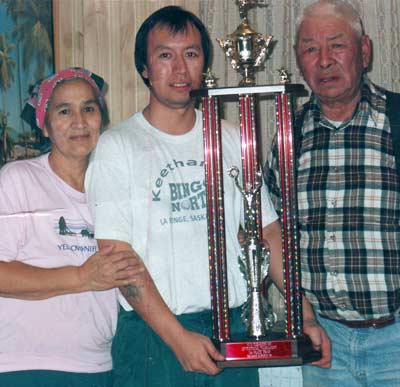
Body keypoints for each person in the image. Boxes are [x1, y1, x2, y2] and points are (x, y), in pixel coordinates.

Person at [85, 5, 306, 387]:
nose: (180, 68)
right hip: (155, 337)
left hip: (236, 328)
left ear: (204, 62)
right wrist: (177, 338)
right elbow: (118, 258)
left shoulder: (232, 138)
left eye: (190, 54)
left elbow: (268, 233)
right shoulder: (117, 146)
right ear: (145, 68)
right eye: (165, 55)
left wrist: (305, 317)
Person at [265, 1, 400, 386]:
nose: (324, 61)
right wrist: (304, 315)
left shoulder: (396, 122)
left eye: (336, 45)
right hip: (323, 343)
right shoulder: (288, 138)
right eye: (310, 48)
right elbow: (271, 234)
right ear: (298, 60)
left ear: (365, 50)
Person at [0, 67, 142, 387]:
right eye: (64, 111)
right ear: (45, 125)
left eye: (88, 108)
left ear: (101, 120)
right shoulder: (18, 179)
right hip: (25, 367)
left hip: (98, 367)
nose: (79, 121)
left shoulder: (115, 190)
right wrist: (82, 277)